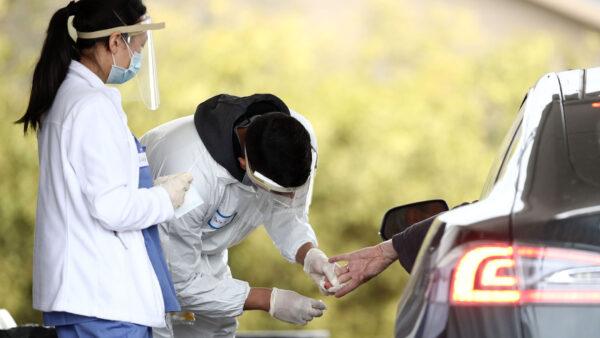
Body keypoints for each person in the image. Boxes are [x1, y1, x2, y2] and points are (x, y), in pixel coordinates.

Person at [16, 1, 193, 337]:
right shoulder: (91, 106)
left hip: (87, 299)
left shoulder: (67, 96)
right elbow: (112, 208)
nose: (137, 59)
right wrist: (164, 199)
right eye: (137, 47)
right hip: (105, 302)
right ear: (115, 42)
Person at [141, 94, 341, 338]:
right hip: (148, 257)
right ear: (244, 163)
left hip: (206, 249)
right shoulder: (190, 179)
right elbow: (179, 281)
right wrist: (270, 300)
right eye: (278, 192)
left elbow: (285, 209)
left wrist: (309, 254)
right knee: (155, 330)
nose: (290, 198)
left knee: (218, 331)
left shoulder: (296, 140)